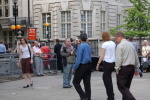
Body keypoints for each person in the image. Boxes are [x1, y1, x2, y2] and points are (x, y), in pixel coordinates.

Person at [115, 31, 139, 100]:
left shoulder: (120, 46)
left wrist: (117, 68)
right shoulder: (131, 45)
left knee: (121, 86)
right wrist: (136, 68)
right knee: (126, 87)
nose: (116, 40)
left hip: (124, 68)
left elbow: (118, 59)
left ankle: (131, 99)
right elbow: (136, 57)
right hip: (131, 67)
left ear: (120, 37)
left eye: (116, 38)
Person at [96, 32, 116, 100]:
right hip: (113, 62)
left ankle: (111, 96)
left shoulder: (104, 44)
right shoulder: (113, 43)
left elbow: (102, 55)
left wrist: (98, 63)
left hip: (107, 62)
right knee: (106, 78)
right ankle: (111, 94)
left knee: (107, 79)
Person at [72, 33, 92, 100]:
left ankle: (84, 96)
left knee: (75, 82)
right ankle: (88, 97)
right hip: (89, 65)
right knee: (87, 83)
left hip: (82, 65)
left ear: (80, 39)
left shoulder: (80, 46)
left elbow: (78, 58)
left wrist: (74, 68)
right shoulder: (88, 46)